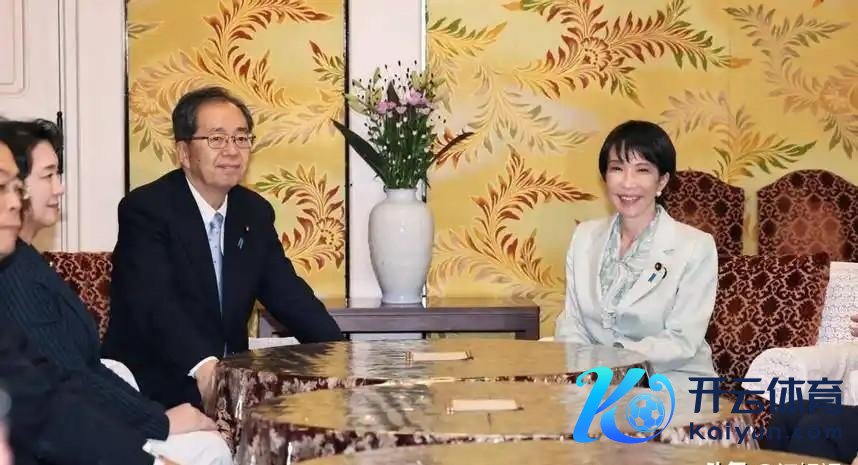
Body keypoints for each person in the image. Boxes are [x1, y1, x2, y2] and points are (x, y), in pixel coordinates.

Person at [0, 120, 231, 465]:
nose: (59, 188)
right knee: (210, 449)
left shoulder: (26, 261)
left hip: (92, 425)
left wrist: (154, 422)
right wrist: (157, 429)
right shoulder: (14, 273)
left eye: (15, 187)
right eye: (47, 176)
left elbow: (68, 384)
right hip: (72, 439)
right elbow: (61, 393)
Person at [103, 86, 344, 409]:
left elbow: (291, 297)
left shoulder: (253, 212)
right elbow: (155, 305)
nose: (232, 150)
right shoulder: (147, 210)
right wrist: (204, 368)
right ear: (184, 152)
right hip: (152, 388)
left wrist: (342, 356)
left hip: (229, 385)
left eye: (241, 138)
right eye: (216, 139)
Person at [554, 120, 718, 390]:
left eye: (642, 170)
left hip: (669, 384)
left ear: (662, 180)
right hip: (595, 381)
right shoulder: (584, 237)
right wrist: (583, 372)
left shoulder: (695, 246)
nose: (628, 183)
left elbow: (682, 340)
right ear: (605, 177)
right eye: (617, 168)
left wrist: (613, 361)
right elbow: (572, 322)